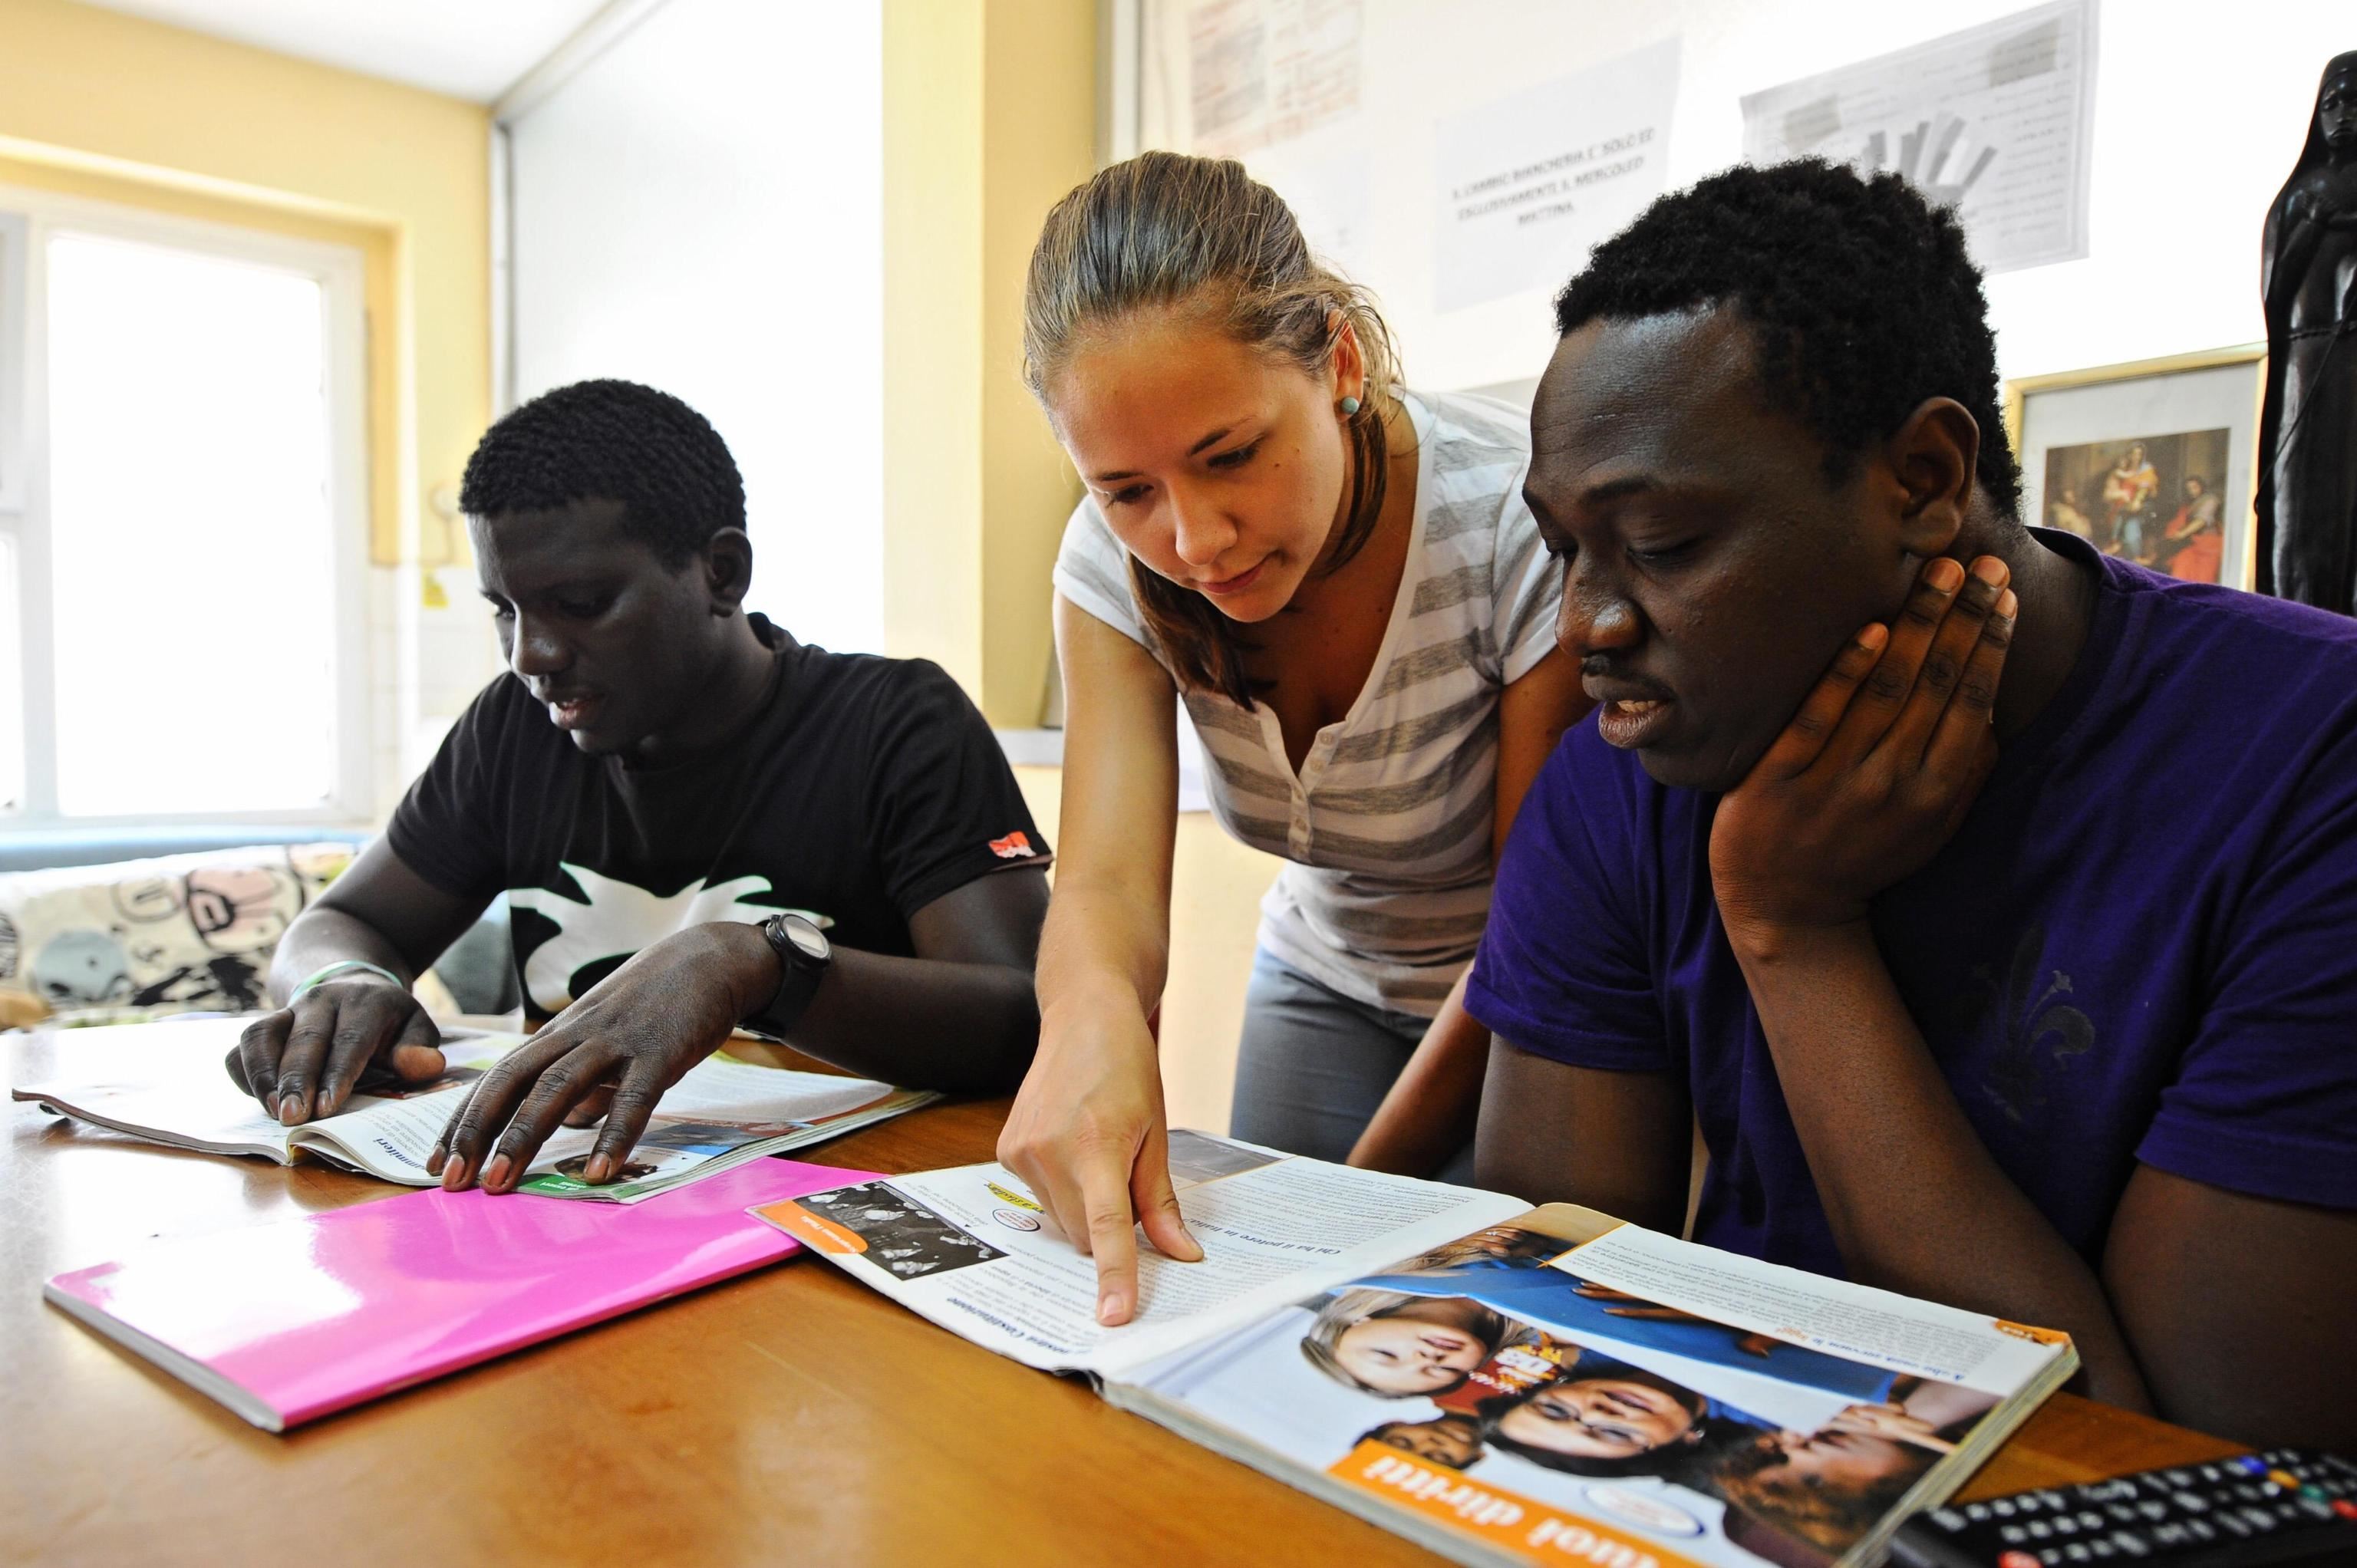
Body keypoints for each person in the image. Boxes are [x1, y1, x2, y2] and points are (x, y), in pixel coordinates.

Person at [1468, 160, 2357, 1451]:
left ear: (1926, 476)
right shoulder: (1631, 761)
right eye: (1564, 549)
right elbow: (1545, 1326)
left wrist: (1794, 932)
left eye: (1658, 542)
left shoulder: (2307, 763)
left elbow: (2181, 1463)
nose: (1588, 625)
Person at [997, 151, 1590, 1326]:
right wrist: (1087, 1022)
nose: (1196, 538)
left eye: (1229, 456)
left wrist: (1347, 1209)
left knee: (1450, 1330)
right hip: (1321, 972)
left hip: (1520, 1003)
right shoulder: (1110, 564)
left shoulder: (1511, 521)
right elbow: (1107, 888)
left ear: (1340, 362)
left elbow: (1540, 927)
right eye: (1126, 489)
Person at [226, 379, 1052, 1192]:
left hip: (848, 1208)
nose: (530, 656)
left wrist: (756, 964)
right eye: (505, 611)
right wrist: (343, 983)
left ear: (721, 573)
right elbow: (340, 922)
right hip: (571, 1210)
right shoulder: (513, 729)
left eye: (579, 603)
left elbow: (1023, 1016)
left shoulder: (894, 721)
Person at [2256, 51, 2357, 612]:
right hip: (2305, 357)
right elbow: (2277, 291)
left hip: (2352, 359)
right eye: (2332, 103)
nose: (2342, 115)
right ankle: (2298, 607)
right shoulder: (2303, 193)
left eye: (2354, 102)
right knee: (2299, 500)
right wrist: (2314, 224)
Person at [2159, 474, 2224, 583]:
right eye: (2189, 489)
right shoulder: (2191, 504)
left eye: (2195, 487)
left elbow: (2201, 521)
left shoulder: (2210, 500)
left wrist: (2182, 534)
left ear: (2201, 486)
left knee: (2204, 578)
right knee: (2182, 564)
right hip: (2194, 543)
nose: (2191, 491)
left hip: (2210, 545)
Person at [2100, 442, 2159, 559]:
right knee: (2117, 538)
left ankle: (2134, 564)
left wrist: (2137, 501)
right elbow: (2108, 494)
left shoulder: (2147, 470)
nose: (2136, 457)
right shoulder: (2122, 470)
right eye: (2134, 454)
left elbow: (2146, 490)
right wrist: (2118, 495)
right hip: (2119, 510)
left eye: (2139, 454)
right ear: (2129, 455)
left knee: (2131, 537)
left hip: (2139, 511)